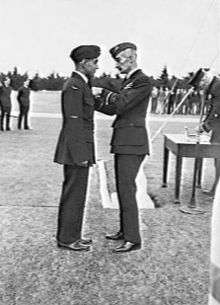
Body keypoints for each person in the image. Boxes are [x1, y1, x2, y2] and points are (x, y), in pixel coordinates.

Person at [94, 42, 152, 253]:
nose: (117, 66)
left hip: (133, 143)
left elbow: (121, 104)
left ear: (132, 57)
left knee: (127, 189)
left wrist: (103, 92)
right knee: (122, 188)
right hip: (124, 142)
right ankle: (125, 230)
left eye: (119, 60)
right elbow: (113, 109)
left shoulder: (142, 81)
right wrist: (95, 102)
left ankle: (133, 238)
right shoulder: (129, 81)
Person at [54, 45, 100, 251]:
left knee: (77, 194)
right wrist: (81, 154)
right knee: (74, 194)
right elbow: (73, 122)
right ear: (83, 63)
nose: (97, 66)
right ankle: (67, 239)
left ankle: (73, 235)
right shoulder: (74, 85)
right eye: (94, 62)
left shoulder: (81, 84)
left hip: (80, 148)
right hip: (76, 150)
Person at [201, 75, 220, 196]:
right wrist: (204, 123)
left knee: (218, 159)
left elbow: (217, 110)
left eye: (202, 81)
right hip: (217, 128)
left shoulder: (217, 86)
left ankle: (216, 190)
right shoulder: (214, 85)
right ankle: (216, 189)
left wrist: (205, 126)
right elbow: (211, 108)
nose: (202, 84)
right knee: (217, 159)